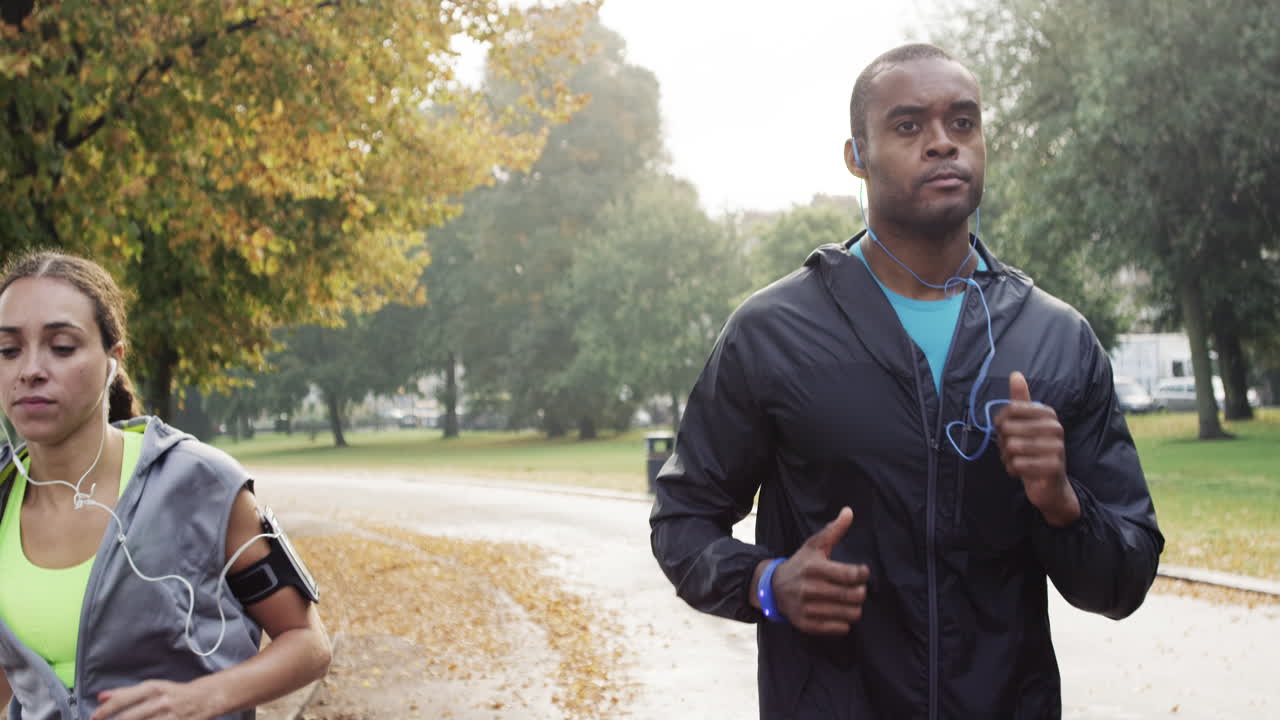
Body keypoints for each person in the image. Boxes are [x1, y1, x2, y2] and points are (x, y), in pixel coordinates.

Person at [649, 43, 1163, 719]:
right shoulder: (771, 333)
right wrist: (766, 583)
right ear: (856, 156)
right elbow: (683, 519)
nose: (943, 144)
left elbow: (1121, 582)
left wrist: (1063, 501)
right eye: (909, 126)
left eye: (963, 122)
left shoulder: (1055, 339)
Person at [0, 251, 331, 719]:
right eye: (8, 350)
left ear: (112, 360)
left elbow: (308, 643)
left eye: (62, 346)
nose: (29, 369)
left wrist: (205, 697)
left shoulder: (200, 482)